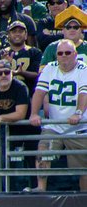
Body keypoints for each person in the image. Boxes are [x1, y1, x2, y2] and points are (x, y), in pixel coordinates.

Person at [29, 39, 87, 192]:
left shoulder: (83, 69)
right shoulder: (50, 68)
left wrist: (78, 113)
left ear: (75, 54)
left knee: (84, 166)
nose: (64, 56)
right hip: (55, 124)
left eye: (68, 53)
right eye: (60, 53)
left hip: (79, 126)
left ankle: (84, 195)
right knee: (43, 151)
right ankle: (41, 188)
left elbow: (84, 93)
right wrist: (34, 113)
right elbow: (39, 92)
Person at [0, 59, 38, 192]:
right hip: (7, 130)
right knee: (5, 162)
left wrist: (0, 117)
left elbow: (20, 114)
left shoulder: (20, 87)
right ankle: (7, 191)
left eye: (6, 72)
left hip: (27, 129)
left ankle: (34, 190)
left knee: (31, 160)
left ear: (11, 73)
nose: (3, 75)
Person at [0, 20, 42, 92]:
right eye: (14, 32)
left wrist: (21, 72)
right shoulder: (0, 54)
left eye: (20, 31)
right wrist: (4, 64)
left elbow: (37, 75)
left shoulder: (35, 52)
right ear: (8, 35)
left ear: (26, 35)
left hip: (29, 93)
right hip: (5, 93)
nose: (17, 34)